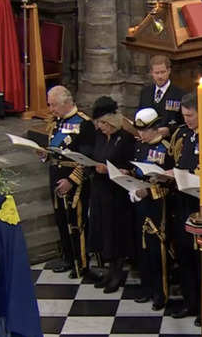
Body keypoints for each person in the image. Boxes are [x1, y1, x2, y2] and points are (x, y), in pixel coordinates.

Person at [167, 93, 202, 322]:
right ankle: (190, 302)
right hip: (182, 201)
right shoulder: (186, 134)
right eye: (184, 115)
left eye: (190, 115)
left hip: (201, 205)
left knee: (200, 259)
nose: (186, 120)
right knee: (184, 255)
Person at [45, 86, 96, 278]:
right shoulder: (57, 122)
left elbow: (87, 159)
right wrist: (44, 154)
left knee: (77, 222)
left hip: (75, 181)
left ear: (66, 103)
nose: (51, 109)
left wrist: (71, 180)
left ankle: (81, 263)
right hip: (55, 174)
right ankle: (68, 258)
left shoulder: (84, 124)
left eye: (54, 105)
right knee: (61, 220)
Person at [87, 96, 135, 293]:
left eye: (103, 123)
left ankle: (117, 272)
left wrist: (111, 170)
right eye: (98, 123)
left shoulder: (125, 138)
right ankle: (108, 271)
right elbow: (92, 157)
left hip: (116, 194)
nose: (100, 127)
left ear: (112, 122)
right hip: (99, 190)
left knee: (115, 233)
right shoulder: (99, 137)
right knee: (102, 232)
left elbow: (130, 166)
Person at [131, 107, 174, 311]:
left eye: (145, 130)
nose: (141, 134)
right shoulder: (139, 147)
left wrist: (150, 191)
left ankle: (161, 292)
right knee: (143, 247)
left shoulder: (166, 149)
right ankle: (146, 287)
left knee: (158, 249)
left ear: (155, 128)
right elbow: (136, 171)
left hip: (159, 205)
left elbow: (171, 183)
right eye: (139, 130)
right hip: (139, 202)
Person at [138, 55, 185, 136]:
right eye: (157, 73)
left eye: (163, 72)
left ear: (169, 71)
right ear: (151, 73)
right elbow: (140, 116)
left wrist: (170, 130)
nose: (160, 76)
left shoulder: (180, 94)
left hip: (170, 142)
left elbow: (185, 123)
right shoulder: (145, 92)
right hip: (148, 141)